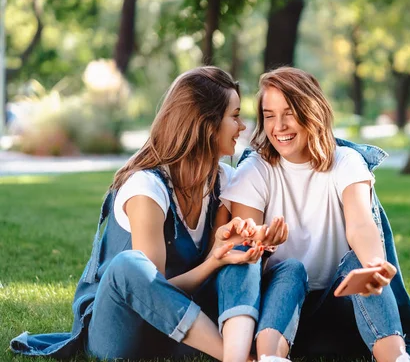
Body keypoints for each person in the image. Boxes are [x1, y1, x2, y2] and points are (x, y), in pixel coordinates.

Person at [10, 66, 279, 362]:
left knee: (246, 256)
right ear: (205, 124)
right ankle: (238, 359)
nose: (242, 126)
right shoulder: (147, 187)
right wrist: (212, 262)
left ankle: (242, 348)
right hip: (121, 332)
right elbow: (149, 291)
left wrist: (241, 247)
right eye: (235, 115)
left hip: (179, 332)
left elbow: (227, 265)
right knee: (130, 266)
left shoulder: (223, 181)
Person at [221, 67, 410, 362]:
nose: (279, 126)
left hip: (342, 306)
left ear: (312, 111)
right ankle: (270, 357)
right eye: (269, 115)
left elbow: (361, 224)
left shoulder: (346, 161)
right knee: (290, 269)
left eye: (289, 112)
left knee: (361, 262)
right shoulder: (255, 169)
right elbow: (243, 253)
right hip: (280, 310)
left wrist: (373, 267)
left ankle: (396, 358)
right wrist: (262, 243)